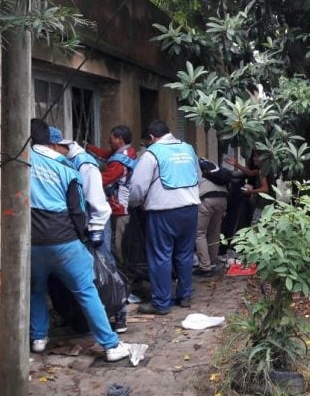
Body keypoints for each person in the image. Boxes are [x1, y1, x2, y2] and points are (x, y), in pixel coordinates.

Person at [28, 118, 130, 362]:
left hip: (32, 243)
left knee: (36, 290)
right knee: (86, 291)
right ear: (51, 142)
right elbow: (77, 210)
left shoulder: (21, 162)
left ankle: (39, 338)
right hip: (65, 241)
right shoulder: (66, 168)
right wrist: (84, 237)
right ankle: (110, 345)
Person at [49, 127, 128, 333]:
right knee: (85, 272)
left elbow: (96, 200)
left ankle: (119, 312)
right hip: (76, 226)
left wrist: (94, 229)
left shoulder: (84, 164)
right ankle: (82, 316)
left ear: (57, 146)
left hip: (95, 224)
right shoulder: (64, 162)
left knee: (106, 267)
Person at [129, 120, 200, 314]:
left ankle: (161, 302)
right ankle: (184, 296)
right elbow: (198, 176)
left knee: (161, 256)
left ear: (151, 137)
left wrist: (135, 203)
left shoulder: (151, 154)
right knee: (185, 254)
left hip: (163, 212)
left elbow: (136, 187)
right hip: (190, 209)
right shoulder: (188, 149)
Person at [86, 125, 138, 265]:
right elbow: (105, 154)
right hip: (125, 205)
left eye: (111, 138)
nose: (109, 141)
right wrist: (88, 147)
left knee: (120, 245)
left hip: (121, 208)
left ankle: (123, 277)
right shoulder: (128, 151)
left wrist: (84, 178)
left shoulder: (118, 162)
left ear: (119, 139)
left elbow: (102, 180)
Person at [194, 159, 230, 277]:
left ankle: (205, 267)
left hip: (206, 198)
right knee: (214, 232)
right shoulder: (210, 165)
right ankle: (213, 261)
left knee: (199, 233)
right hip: (222, 198)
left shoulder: (194, 166)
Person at [225, 149, 274, 224]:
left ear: (262, 158)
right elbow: (250, 173)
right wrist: (236, 164)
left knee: (255, 225)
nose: (253, 158)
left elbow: (265, 189)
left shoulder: (262, 171)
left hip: (263, 204)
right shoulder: (266, 168)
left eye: (255, 156)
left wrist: (250, 191)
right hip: (268, 203)